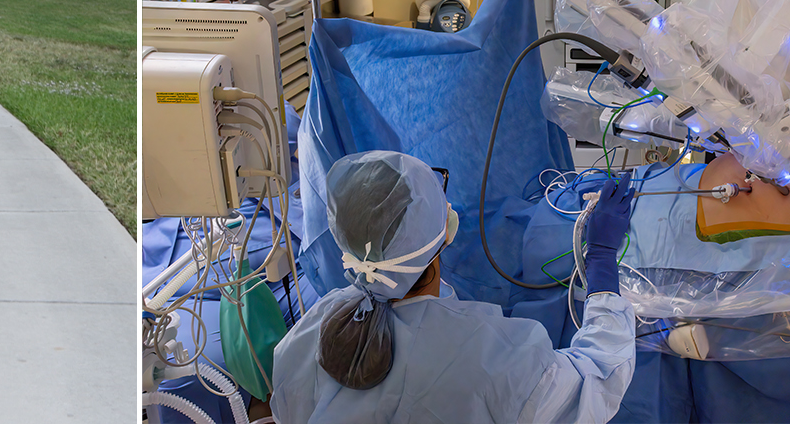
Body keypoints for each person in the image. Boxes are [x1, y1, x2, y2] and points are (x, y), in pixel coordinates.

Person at [271, 151, 635, 424]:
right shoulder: (492, 360)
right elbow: (599, 380)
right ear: (437, 233)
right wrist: (601, 263)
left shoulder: (305, 335)